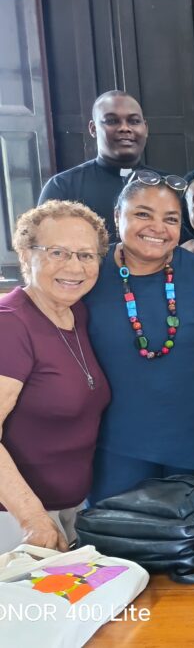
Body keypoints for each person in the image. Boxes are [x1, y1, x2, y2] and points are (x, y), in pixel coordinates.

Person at [82, 171, 194, 503]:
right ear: (117, 215)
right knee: (117, 549)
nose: (157, 228)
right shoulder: (89, 271)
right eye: (142, 214)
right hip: (115, 451)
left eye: (171, 219)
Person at [0, 202, 111, 551]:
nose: (74, 267)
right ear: (25, 253)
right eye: (57, 252)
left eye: (86, 255)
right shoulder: (10, 324)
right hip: (16, 521)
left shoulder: (76, 313)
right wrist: (33, 519)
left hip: (71, 509)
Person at [37, 91, 160, 242]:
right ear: (93, 129)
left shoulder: (167, 185)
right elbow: (44, 247)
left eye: (134, 121)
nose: (125, 128)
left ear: (145, 128)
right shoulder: (63, 187)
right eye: (112, 121)